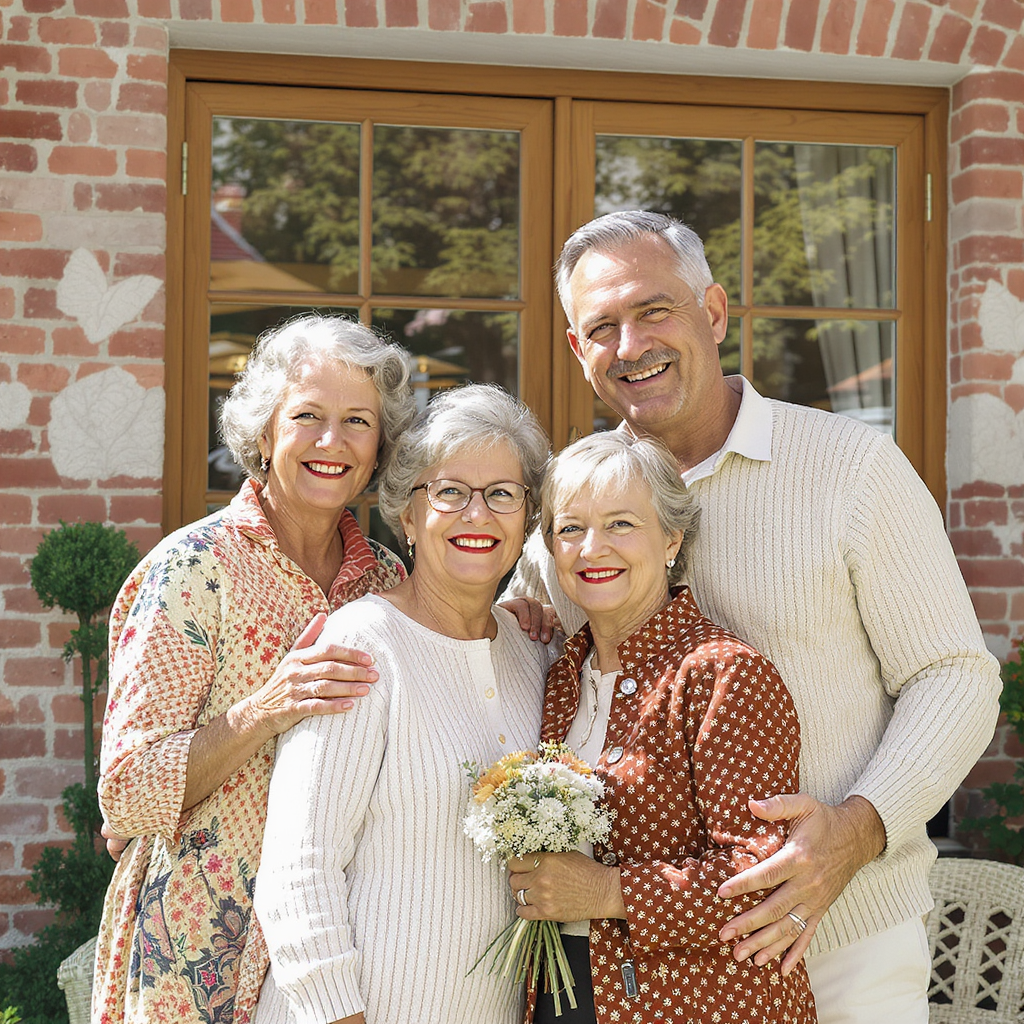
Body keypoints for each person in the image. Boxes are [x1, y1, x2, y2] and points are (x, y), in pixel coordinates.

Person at [504, 210, 1002, 1023]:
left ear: (716, 312)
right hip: (649, 966)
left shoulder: (852, 468)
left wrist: (857, 829)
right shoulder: (579, 506)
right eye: (602, 327)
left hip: (847, 939)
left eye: (654, 310)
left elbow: (954, 678)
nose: (630, 346)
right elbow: (529, 648)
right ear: (577, 350)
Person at [94, 313, 417, 1024]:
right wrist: (261, 709)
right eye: (307, 416)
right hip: (194, 951)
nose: (333, 442)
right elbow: (125, 795)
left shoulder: (390, 579)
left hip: (334, 955)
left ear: (380, 445)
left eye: (357, 421)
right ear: (265, 434)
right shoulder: (193, 569)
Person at [253, 384, 555, 1024]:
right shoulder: (364, 644)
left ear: (525, 521)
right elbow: (299, 867)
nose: (478, 514)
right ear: (408, 516)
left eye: (502, 494)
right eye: (449, 492)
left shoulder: (533, 655)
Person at [507, 431, 817, 1024]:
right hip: (562, 987)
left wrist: (606, 892)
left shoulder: (723, 674)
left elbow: (764, 875)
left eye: (621, 524)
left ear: (672, 539)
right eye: (570, 529)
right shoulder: (562, 672)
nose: (592, 549)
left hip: (701, 1003)